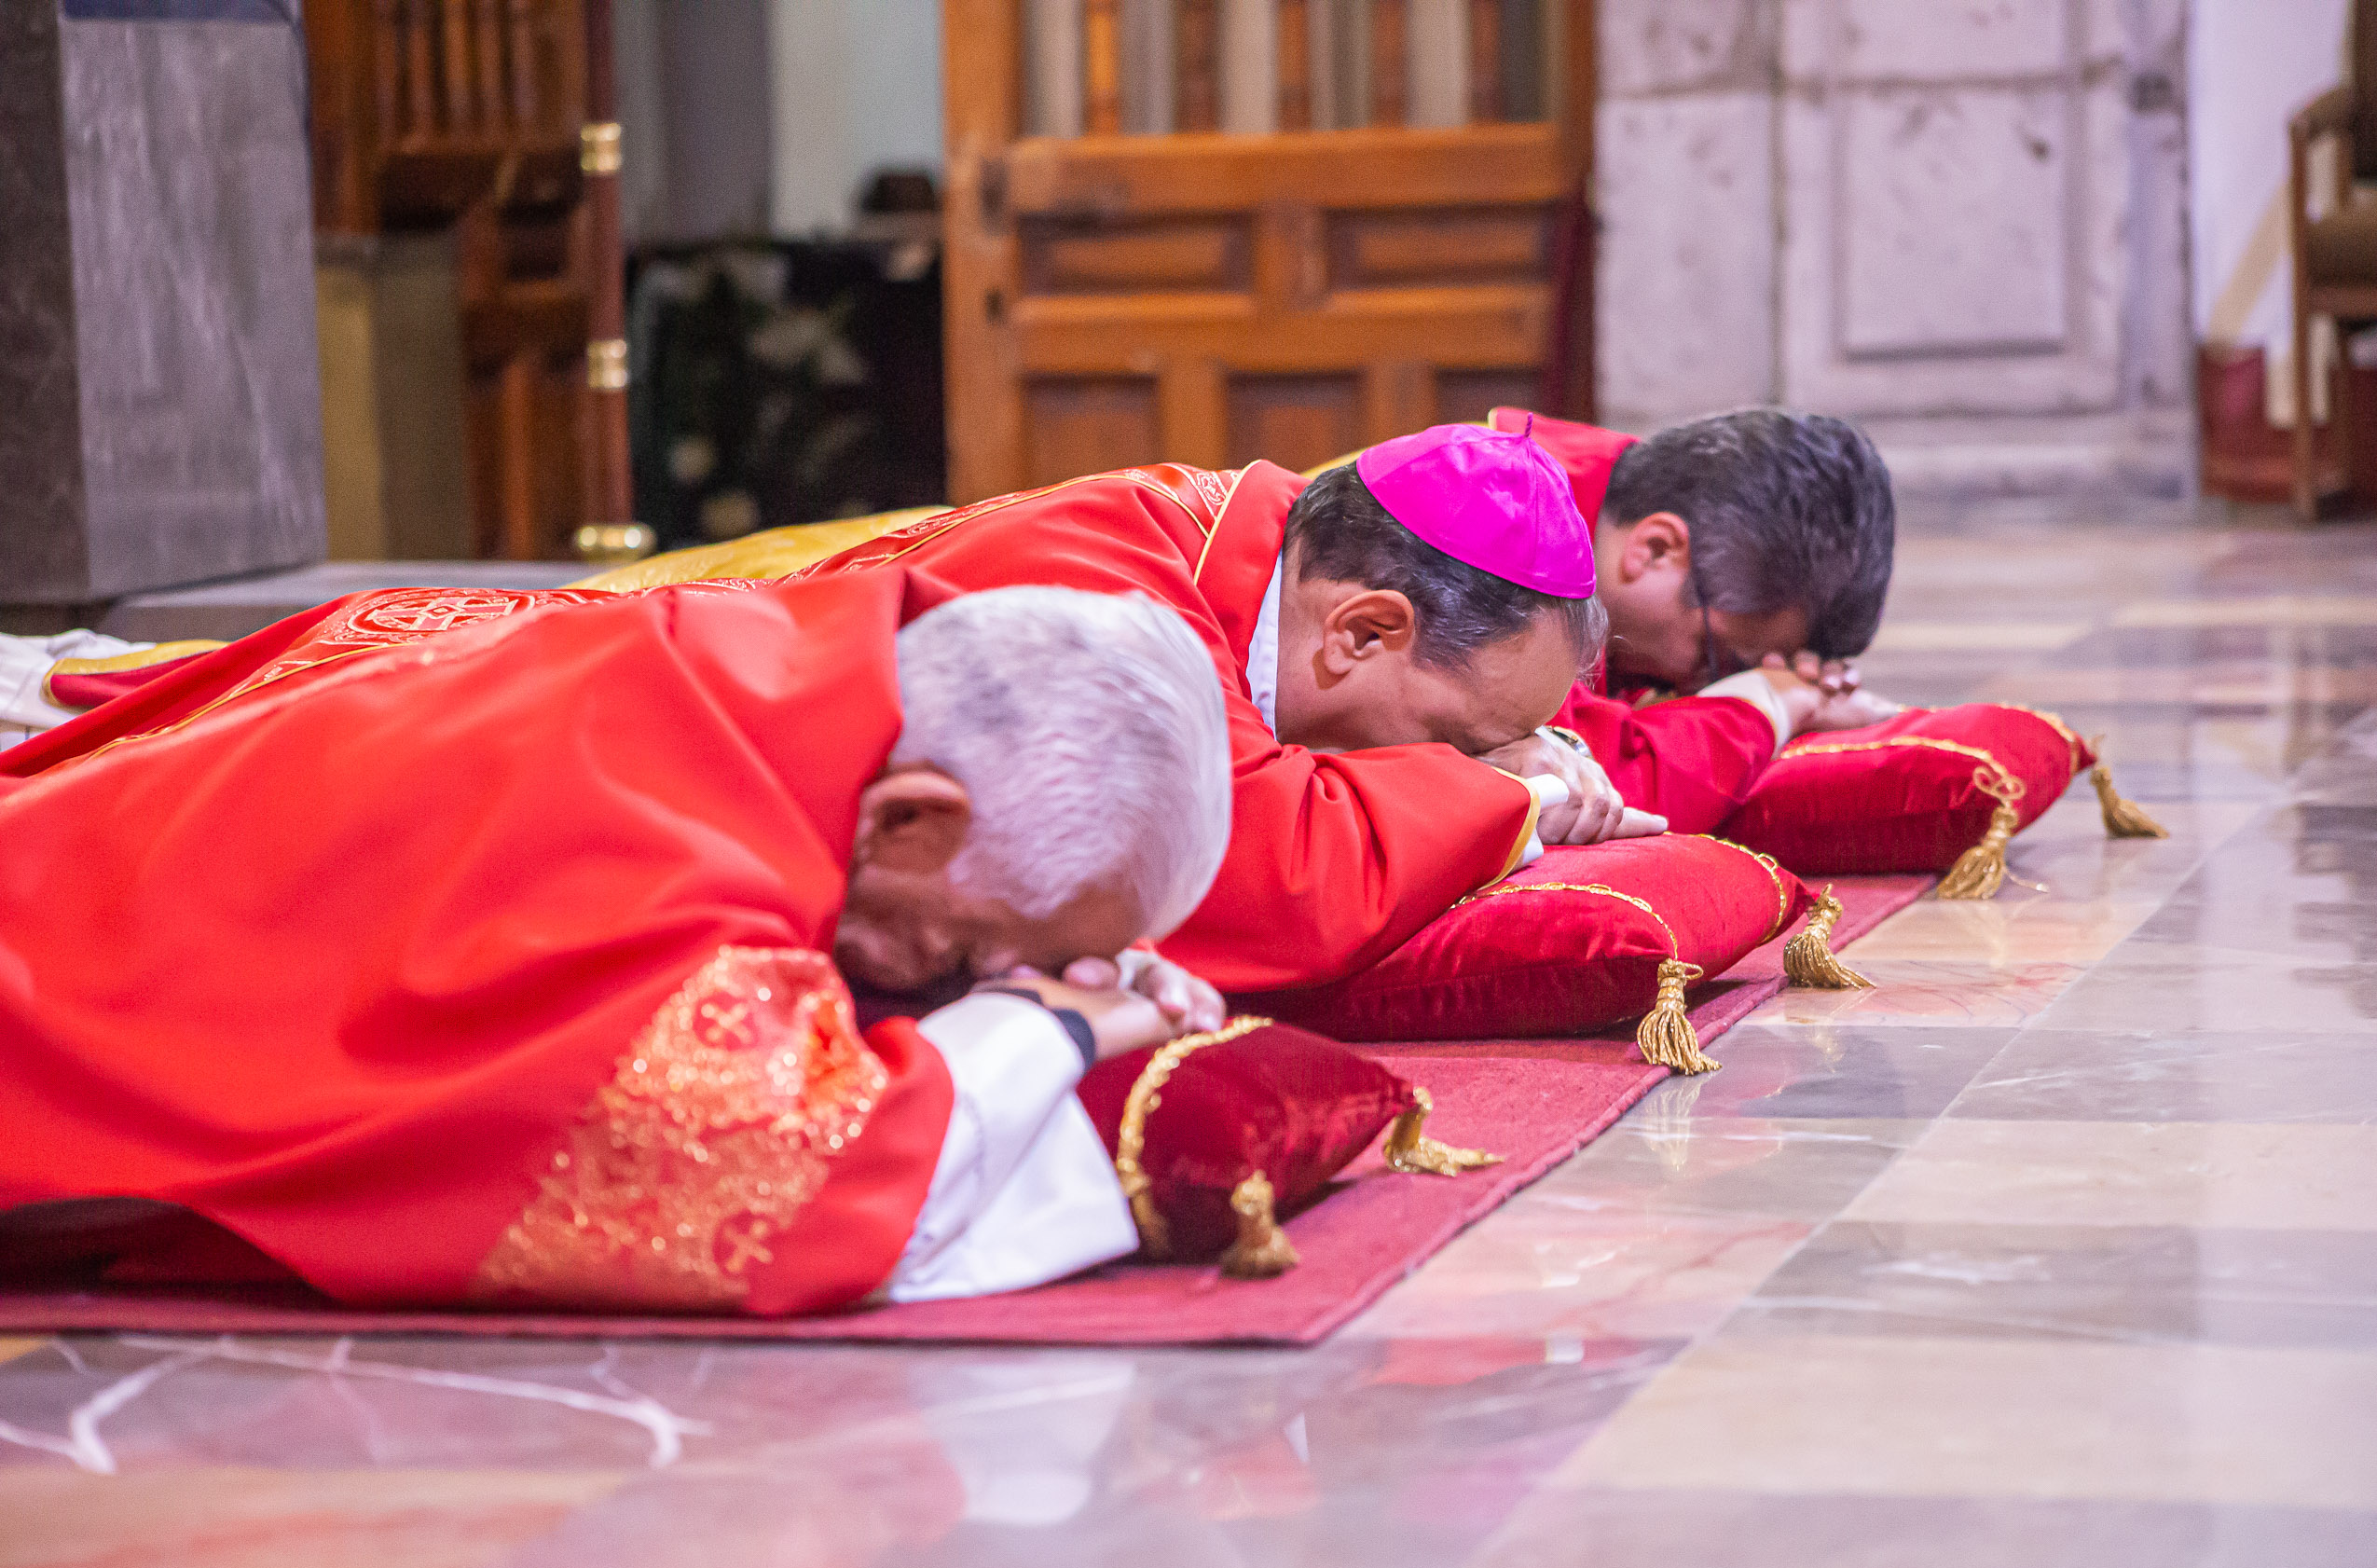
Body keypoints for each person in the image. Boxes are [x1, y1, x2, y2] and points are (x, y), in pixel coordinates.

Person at [1, 426, 1647, 997]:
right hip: (514, 727)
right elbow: (1246, 881)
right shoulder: (1110, 597)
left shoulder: (1242, 572)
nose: (1483, 759)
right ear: (1361, 630)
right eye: (1465, 728)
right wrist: (1513, 802)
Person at [0, 573, 1236, 1316]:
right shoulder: (654, 841)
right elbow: (792, 1189)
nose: (963, 983)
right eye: (976, 948)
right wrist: (1052, 1025)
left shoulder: (758, 670)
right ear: (913, 818)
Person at [1484, 406, 1904, 834]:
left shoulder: (1622, 501)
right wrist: (1770, 702)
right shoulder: (1499, 526)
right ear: (1655, 549)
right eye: (1715, 659)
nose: (1697, 690)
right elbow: (1591, 797)